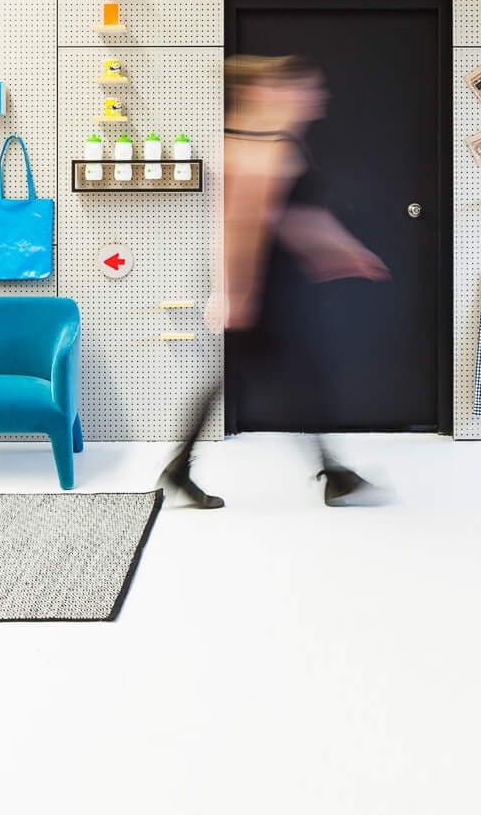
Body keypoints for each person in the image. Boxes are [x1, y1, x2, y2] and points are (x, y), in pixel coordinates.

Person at [161, 54, 391, 508]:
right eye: (305, 88)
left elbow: (293, 217)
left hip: (267, 279)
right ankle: (332, 472)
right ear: (268, 92)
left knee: (262, 376)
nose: (315, 97)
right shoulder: (259, 150)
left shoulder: (276, 143)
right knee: (294, 374)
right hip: (258, 284)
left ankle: (181, 467)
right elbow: (238, 226)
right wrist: (233, 293)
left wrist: (343, 251)